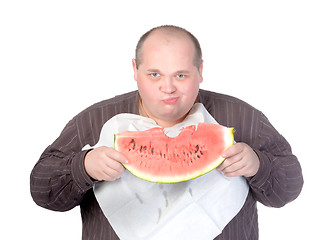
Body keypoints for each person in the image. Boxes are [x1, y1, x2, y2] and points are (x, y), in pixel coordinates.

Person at [30, 25, 303, 239]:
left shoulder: (243, 118)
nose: (168, 87)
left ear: (200, 71)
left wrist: (258, 165)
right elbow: (41, 190)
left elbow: (289, 189)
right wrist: (84, 166)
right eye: (154, 74)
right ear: (135, 70)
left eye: (181, 75)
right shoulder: (94, 120)